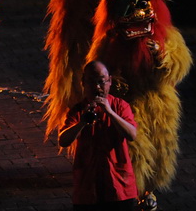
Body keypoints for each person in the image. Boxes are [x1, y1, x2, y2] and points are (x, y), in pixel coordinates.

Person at [59, 60, 138, 210]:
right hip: (88, 189)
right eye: (91, 82)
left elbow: (132, 135)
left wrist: (109, 111)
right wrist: (82, 123)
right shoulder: (78, 110)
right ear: (83, 83)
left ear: (109, 82)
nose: (97, 87)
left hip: (120, 187)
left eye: (101, 82)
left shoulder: (120, 106)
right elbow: (63, 140)